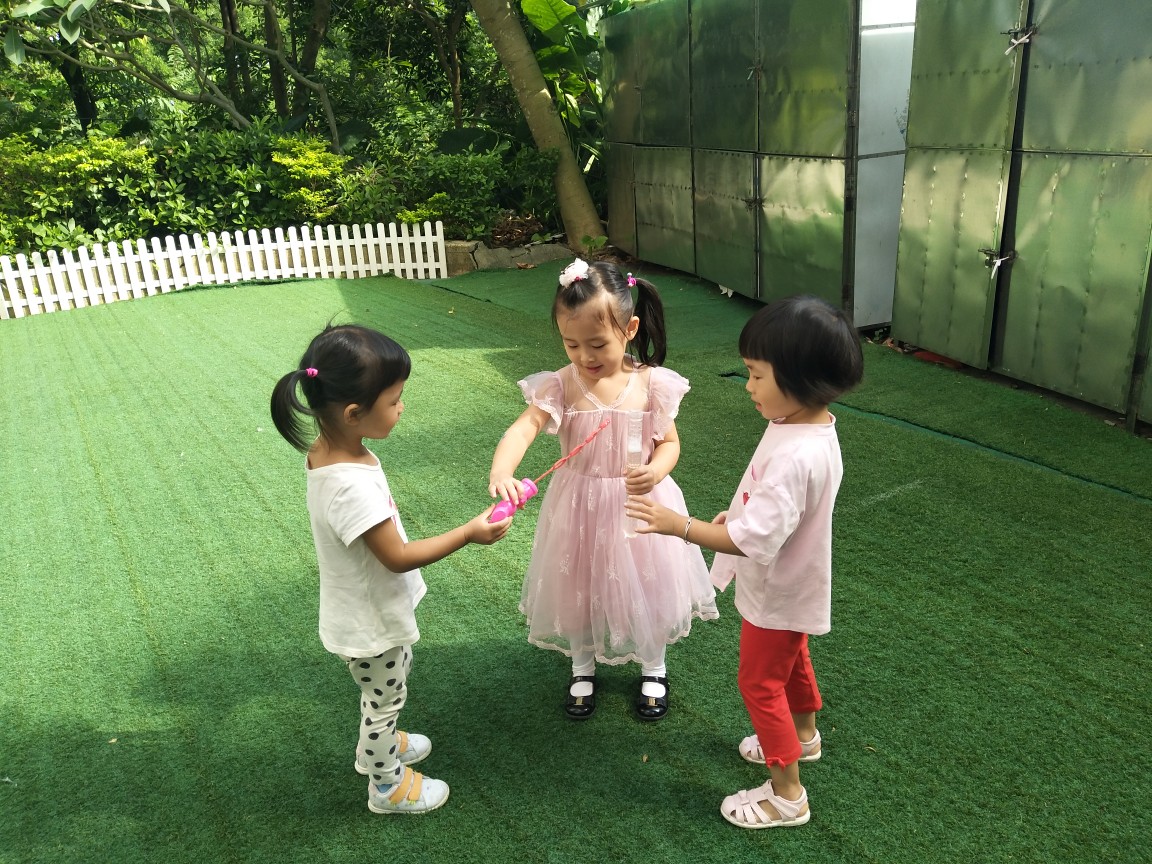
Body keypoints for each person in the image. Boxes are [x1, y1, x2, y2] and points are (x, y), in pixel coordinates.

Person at [626, 295, 864, 829]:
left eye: (757, 375)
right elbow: (774, 513)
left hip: (778, 589)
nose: (749, 386)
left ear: (800, 379)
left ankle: (787, 795)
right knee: (791, 663)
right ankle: (805, 737)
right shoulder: (809, 426)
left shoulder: (796, 453)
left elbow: (752, 539)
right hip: (795, 583)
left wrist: (681, 525)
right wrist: (737, 516)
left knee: (760, 683)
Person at [270, 324, 511, 816]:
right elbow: (397, 555)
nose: (402, 408)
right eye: (395, 400)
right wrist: (468, 533)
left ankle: (375, 747)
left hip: (363, 610)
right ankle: (385, 785)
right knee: (384, 703)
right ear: (353, 412)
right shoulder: (349, 486)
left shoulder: (329, 450)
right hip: (370, 621)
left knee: (384, 693)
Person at [489, 258, 718, 721]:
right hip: (578, 505)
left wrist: (656, 471)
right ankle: (581, 666)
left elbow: (669, 443)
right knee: (577, 585)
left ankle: (654, 667)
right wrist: (503, 469)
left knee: (649, 586)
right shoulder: (562, 384)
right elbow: (523, 428)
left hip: (640, 505)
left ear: (629, 330)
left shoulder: (651, 383)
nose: (584, 356)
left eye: (597, 344)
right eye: (571, 343)